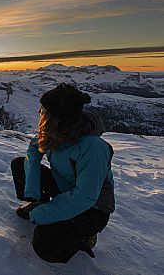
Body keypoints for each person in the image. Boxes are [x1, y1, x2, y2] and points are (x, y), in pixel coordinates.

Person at [10, 83, 115, 263]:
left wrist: (43, 214)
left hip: (93, 208)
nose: (40, 113)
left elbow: (84, 197)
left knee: (44, 244)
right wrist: (34, 191)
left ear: (56, 117)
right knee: (20, 164)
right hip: (65, 188)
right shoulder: (55, 132)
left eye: (43, 110)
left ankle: (85, 237)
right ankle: (39, 204)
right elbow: (34, 150)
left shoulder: (92, 148)